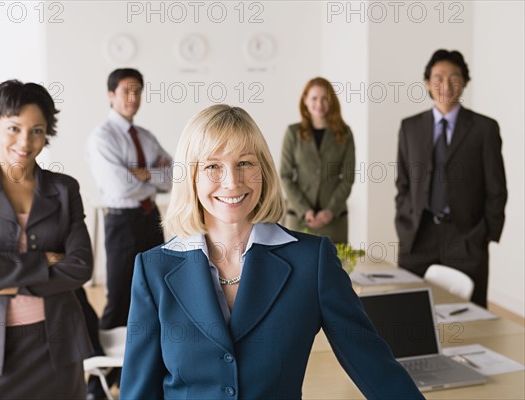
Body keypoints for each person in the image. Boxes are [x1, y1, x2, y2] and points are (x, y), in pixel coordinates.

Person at [119, 104, 423, 399]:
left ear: (262, 170)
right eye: (213, 165)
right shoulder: (153, 269)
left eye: (245, 163)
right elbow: (139, 391)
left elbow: (374, 366)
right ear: (191, 176)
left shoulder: (312, 261)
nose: (232, 181)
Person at [0, 80, 94, 399]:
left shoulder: (65, 189)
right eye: (14, 128)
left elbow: (81, 266)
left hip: (57, 341)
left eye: (37, 130)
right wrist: (46, 261)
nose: (25, 141)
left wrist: (5, 279)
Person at [395, 49, 507, 308]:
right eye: (438, 78)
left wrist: (484, 235)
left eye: (454, 77)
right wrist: (404, 223)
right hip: (418, 235)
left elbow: (497, 188)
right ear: (427, 83)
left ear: (465, 81)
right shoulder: (409, 127)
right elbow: (403, 184)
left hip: (466, 237)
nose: (445, 85)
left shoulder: (484, 129)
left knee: (469, 316)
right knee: (411, 313)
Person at [85, 68, 172, 398]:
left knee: (158, 294)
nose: (133, 98)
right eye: (126, 91)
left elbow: (171, 175)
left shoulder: (145, 136)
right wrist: (151, 178)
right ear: (111, 95)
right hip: (122, 224)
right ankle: (98, 382)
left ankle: (144, 375)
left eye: (137, 91)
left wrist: (144, 174)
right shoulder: (102, 137)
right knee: (119, 299)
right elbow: (119, 185)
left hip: (152, 221)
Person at [280, 77, 355, 243]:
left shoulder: (344, 133)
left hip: (334, 220)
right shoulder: (293, 133)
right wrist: (304, 209)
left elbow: (348, 178)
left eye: (324, 98)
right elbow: (285, 175)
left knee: (333, 266)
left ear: (332, 101)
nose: (319, 104)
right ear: (305, 100)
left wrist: (330, 211)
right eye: (314, 98)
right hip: (300, 219)